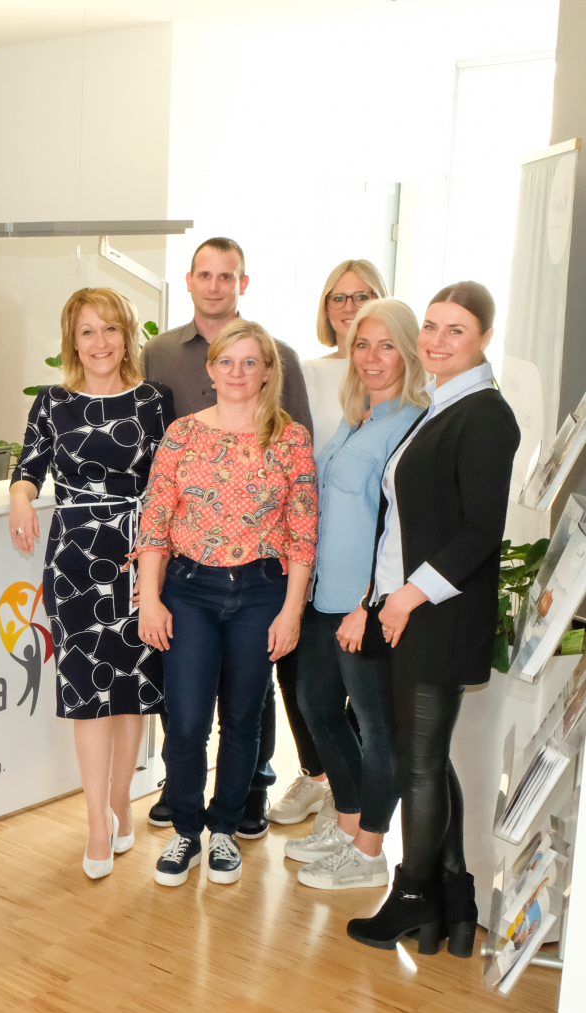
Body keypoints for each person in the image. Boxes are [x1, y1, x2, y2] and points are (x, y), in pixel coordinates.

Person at [348, 282, 520, 958]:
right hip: (408, 607)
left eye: (456, 330)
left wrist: (408, 596)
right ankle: (454, 896)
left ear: (484, 339)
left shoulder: (485, 415)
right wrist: (383, 597)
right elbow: (406, 523)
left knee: (417, 763)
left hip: (439, 613)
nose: (437, 341)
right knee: (426, 756)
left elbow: (481, 530)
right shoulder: (442, 403)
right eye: (431, 326)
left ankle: (414, 893)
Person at [142, 236, 322, 839]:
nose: (238, 372)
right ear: (211, 369)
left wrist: (292, 609)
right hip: (190, 585)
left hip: (260, 588)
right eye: (227, 363)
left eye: (250, 363)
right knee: (186, 716)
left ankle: (230, 820)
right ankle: (185, 825)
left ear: (268, 369)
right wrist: (149, 596)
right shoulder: (180, 428)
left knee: (245, 716)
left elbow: (302, 529)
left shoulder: (290, 438)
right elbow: (156, 519)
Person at [7, 288, 172, 879]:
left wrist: (155, 565)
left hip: (138, 558)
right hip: (74, 560)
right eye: (87, 331)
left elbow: (169, 485)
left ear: (126, 335)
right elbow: (29, 467)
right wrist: (20, 499)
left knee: (131, 692)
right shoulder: (53, 402)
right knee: (87, 696)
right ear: (72, 342)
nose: (100, 342)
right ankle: (96, 823)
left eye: (110, 329)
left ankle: (121, 800)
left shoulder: (155, 400)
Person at [290, 300, 427, 891]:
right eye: (363, 345)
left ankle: (369, 850)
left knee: (374, 726)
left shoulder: (413, 423)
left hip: (364, 603)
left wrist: (366, 604)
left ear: (409, 353)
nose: (372, 358)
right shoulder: (359, 416)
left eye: (386, 346)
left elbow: (398, 526)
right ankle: (347, 824)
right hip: (325, 592)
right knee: (317, 708)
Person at [301, 259, 389, 456]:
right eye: (338, 298)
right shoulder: (303, 374)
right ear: (326, 308)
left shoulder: (404, 372)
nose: (349, 308)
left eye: (361, 297)